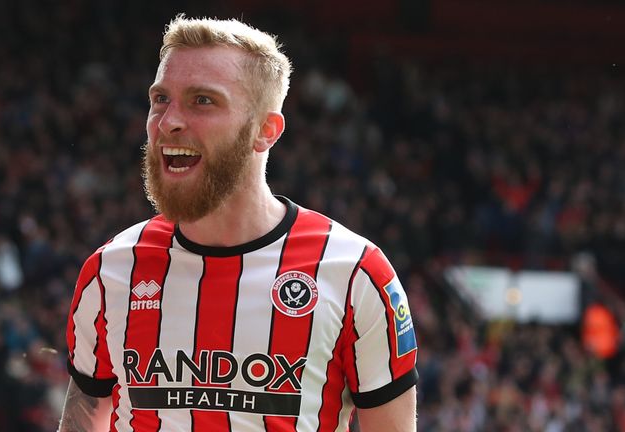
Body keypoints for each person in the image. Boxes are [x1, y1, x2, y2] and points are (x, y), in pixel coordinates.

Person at [59, 15, 418, 432]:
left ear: (265, 131)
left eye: (202, 100)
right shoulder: (109, 271)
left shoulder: (357, 273)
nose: (168, 121)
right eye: (160, 99)